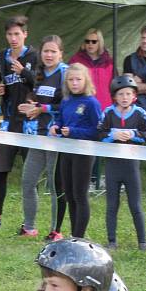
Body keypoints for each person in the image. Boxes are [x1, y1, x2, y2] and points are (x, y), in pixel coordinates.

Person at [0, 15, 38, 230]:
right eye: (10, 34)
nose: (13, 38)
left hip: (29, 123)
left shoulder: (34, 56)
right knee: (0, 170)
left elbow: (40, 82)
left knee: (30, 175)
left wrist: (24, 72)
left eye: (17, 34)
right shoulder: (0, 57)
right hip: (8, 121)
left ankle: (30, 222)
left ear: (25, 35)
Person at [18, 35, 68, 240]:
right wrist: (30, 105)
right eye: (45, 51)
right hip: (38, 136)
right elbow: (37, 99)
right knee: (28, 181)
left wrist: (42, 108)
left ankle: (56, 230)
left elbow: (68, 106)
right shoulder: (38, 73)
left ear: (61, 54)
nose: (49, 55)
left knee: (55, 185)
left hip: (57, 137)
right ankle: (29, 227)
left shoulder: (65, 73)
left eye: (53, 51)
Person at [97, 75, 146, 251]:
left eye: (128, 93)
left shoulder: (140, 113)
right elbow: (98, 135)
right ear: (115, 96)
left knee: (135, 204)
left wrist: (133, 135)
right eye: (121, 94)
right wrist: (112, 136)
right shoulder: (108, 112)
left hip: (131, 166)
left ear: (134, 96)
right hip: (112, 165)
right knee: (112, 205)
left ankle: (142, 241)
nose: (125, 97)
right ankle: (111, 241)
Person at [49, 63, 102, 238]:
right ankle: (74, 235)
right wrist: (56, 127)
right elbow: (62, 121)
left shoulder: (91, 103)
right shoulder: (66, 101)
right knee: (69, 194)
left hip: (84, 153)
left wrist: (74, 132)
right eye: (70, 79)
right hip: (66, 151)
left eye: (78, 79)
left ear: (86, 80)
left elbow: (97, 132)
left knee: (80, 195)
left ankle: (79, 236)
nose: (74, 83)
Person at [69, 29, 115, 110]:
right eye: (87, 41)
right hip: (82, 107)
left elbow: (114, 86)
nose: (90, 44)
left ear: (100, 43)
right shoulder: (75, 60)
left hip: (106, 107)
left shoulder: (109, 62)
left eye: (94, 41)